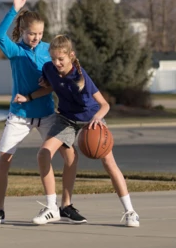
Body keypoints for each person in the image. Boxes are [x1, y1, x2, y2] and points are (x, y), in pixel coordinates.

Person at [14, 34, 140, 227]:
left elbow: (104, 104)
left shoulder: (81, 77)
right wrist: (29, 97)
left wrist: (97, 119)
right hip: (66, 119)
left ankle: (130, 211)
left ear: (71, 56)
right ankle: (52, 208)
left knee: (109, 162)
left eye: (61, 59)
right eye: (53, 58)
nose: (56, 63)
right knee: (43, 154)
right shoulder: (49, 68)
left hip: (91, 120)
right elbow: (49, 87)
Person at [0, 0, 84, 225]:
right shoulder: (15, 50)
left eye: (39, 33)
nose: (36, 38)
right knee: (3, 160)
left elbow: (64, 70)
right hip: (20, 115)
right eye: (31, 34)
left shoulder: (48, 51)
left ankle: (66, 205)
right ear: (23, 32)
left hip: (47, 114)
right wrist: (14, 9)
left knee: (70, 156)